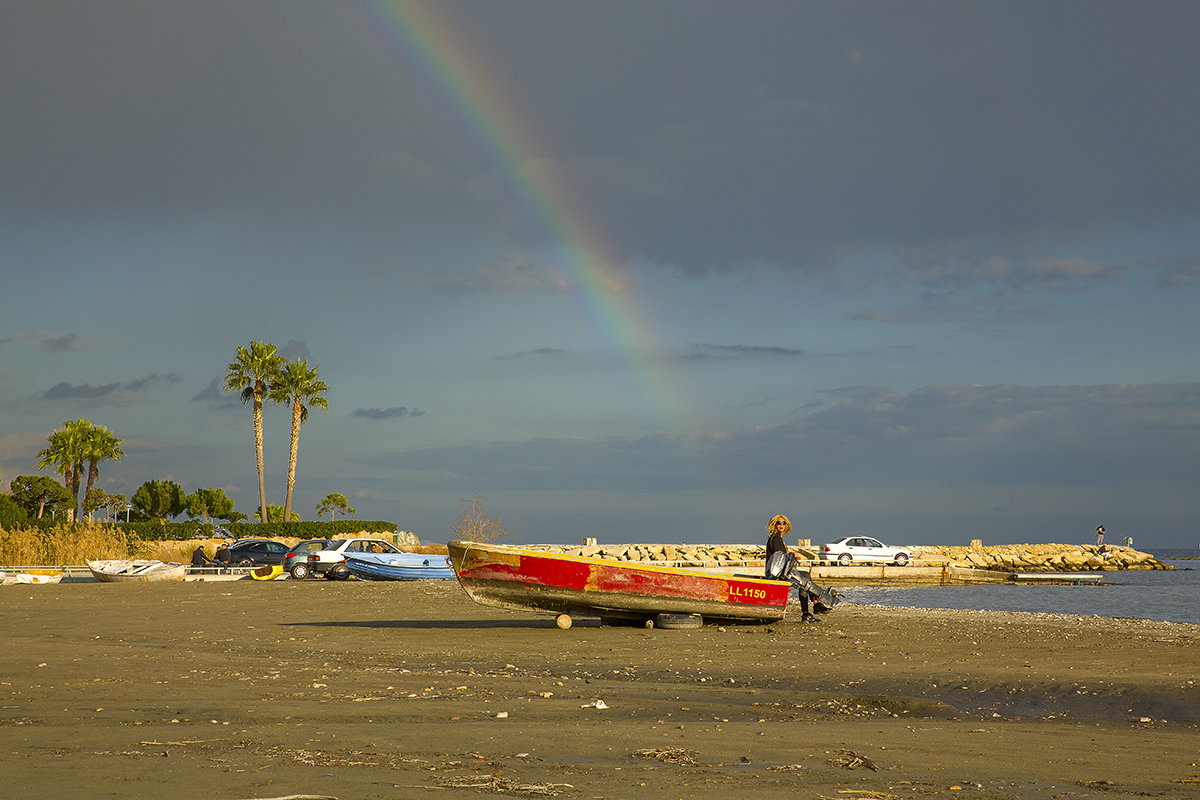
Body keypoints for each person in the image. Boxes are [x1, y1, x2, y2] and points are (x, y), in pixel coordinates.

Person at [765, 514, 818, 623]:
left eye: (783, 523)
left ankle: (812, 605)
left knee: (805, 577)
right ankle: (810, 608)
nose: (781, 525)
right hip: (778, 574)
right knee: (805, 578)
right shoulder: (776, 539)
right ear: (774, 525)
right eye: (778, 523)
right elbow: (781, 558)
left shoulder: (777, 538)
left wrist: (791, 554)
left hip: (777, 572)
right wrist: (793, 555)